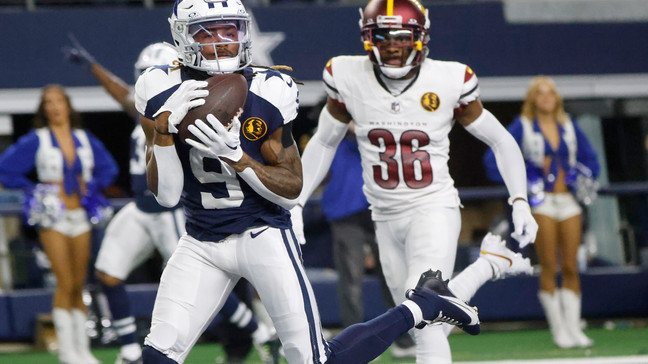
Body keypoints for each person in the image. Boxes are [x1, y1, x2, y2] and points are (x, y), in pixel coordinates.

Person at [132, 0, 490, 363]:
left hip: (262, 234)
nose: (223, 41)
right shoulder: (158, 86)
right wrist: (163, 133)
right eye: (208, 32)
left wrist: (236, 157)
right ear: (182, 36)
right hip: (200, 240)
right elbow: (166, 196)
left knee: (315, 360)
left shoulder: (270, 89)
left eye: (231, 29)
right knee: (158, 355)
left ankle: (421, 306)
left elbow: (291, 190)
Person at [290, 0, 539, 362]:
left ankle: (489, 263)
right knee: (419, 315)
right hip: (384, 214)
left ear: (420, 38)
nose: (392, 45)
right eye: (383, 36)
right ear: (366, 36)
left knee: (424, 316)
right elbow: (325, 141)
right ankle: (490, 263)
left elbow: (501, 139)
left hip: (432, 206)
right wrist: (296, 201)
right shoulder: (347, 75)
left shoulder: (449, 79)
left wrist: (519, 200)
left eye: (403, 37)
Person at [62, 38, 280, 364]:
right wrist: (92, 66)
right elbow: (119, 90)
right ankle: (130, 350)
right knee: (107, 273)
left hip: (173, 209)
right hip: (140, 207)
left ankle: (261, 333)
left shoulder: (186, 111)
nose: (146, 79)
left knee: (205, 281)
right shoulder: (145, 110)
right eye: (142, 73)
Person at [0, 84, 118, 364]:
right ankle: (67, 352)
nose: (54, 107)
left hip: (81, 216)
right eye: (48, 102)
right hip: (53, 218)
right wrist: (35, 189)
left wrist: (92, 186)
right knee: (64, 282)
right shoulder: (36, 139)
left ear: (68, 105)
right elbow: (6, 169)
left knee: (79, 283)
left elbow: (109, 168)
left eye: (58, 101)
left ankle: (82, 350)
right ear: (43, 109)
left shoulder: (84, 138)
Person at [483, 76, 600, 349]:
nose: (546, 98)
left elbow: (591, 160)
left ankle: (574, 328)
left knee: (571, 265)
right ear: (533, 98)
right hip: (541, 202)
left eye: (551, 93)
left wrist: (581, 176)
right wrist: (526, 175)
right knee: (549, 264)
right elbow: (495, 157)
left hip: (568, 201)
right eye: (541, 93)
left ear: (557, 98)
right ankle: (558, 329)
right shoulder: (522, 126)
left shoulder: (569, 125)